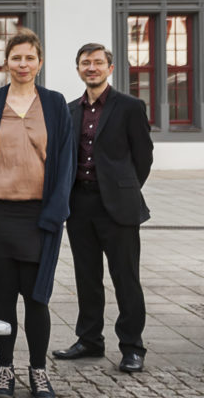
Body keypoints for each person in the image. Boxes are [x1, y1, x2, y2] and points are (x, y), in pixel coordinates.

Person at [0, 28, 74, 398]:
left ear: (39, 62)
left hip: (38, 217)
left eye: (30, 58)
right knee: (3, 299)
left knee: (37, 299)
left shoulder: (56, 104)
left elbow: (65, 163)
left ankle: (39, 371)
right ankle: (5, 368)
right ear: (6, 63)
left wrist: (56, 213)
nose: (23, 64)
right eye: (16, 58)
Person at [52, 43, 153, 373]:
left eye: (98, 63)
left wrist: (124, 187)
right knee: (86, 276)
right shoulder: (69, 110)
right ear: (78, 69)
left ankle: (132, 346)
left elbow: (143, 158)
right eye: (85, 63)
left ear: (110, 68)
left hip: (118, 206)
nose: (91, 68)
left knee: (125, 277)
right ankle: (90, 339)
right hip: (80, 203)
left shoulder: (129, 107)